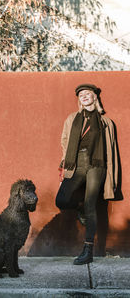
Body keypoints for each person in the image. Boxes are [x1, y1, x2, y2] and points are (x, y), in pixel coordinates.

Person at [55, 83, 120, 265]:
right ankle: (81, 208)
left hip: (97, 165)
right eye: (81, 94)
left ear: (94, 97)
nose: (83, 96)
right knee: (61, 200)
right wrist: (64, 168)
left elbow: (111, 150)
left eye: (87, 93)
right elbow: (65, 141)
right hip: (76, 163)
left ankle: (88, 250)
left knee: (92, 204)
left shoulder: (106, 123)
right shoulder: (72, 118)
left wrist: (111, 175)